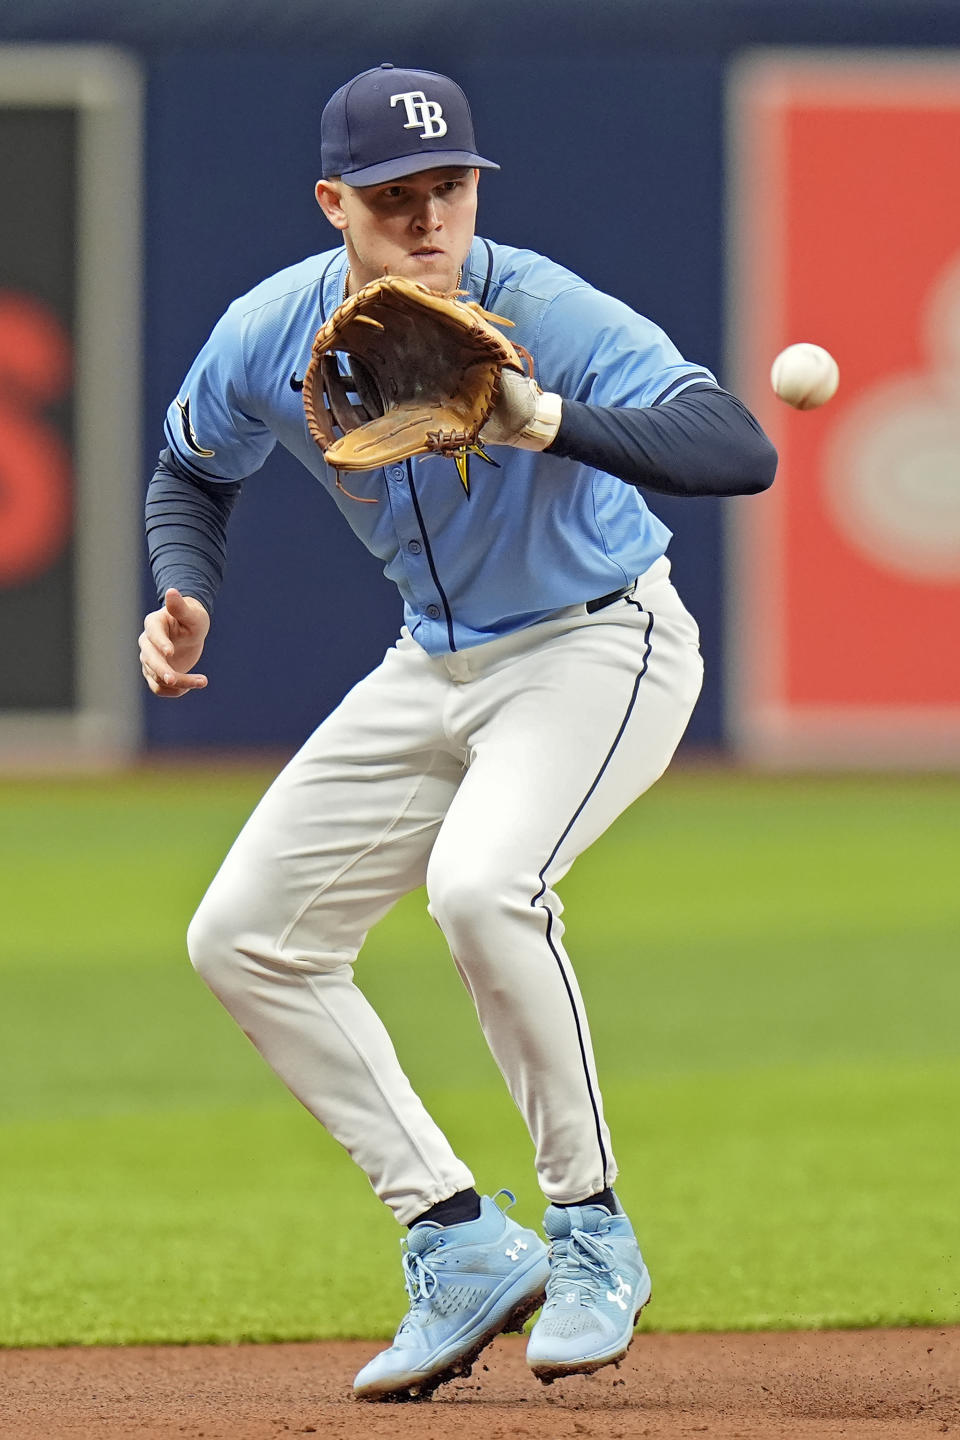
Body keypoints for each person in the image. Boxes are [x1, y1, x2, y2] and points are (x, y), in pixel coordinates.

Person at [139, 63, 776, 1401]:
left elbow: (733, 443)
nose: (430, 218)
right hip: (436, 660)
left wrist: (540, 415)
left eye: (451, 188)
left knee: (484, 888)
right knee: (243, 935)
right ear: (335, 204)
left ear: (476, 186)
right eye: (394, 198)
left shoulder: (540, 305)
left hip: (602, 639)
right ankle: (458, 1236)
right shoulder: (272, 329)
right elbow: (193, 466)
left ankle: (594, 1231)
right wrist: (183, 588)